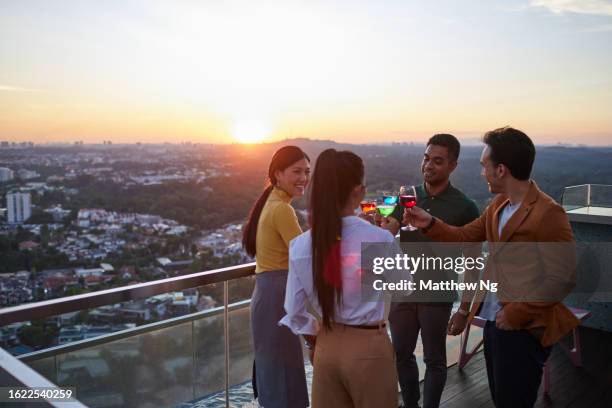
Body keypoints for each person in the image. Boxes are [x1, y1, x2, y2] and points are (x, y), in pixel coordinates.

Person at [404, 127, 578, 408]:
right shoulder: (498, 205)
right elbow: (464, 235)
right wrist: (429, 223)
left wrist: (515, 313)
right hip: (494, 323)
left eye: (485, 166)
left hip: (524, 328)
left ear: (501, 170)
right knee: (502, 399)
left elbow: (563, 278)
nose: (481, 172)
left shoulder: (549, 213)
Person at [280, 149, 408, 408]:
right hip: (369, 348)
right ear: (359, 192)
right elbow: (403, 286)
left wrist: (314, 340)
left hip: (326, 347)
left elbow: (293, 310)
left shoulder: (301, 245)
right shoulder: (378, 239)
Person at [381, 134, 481, 408]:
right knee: (401, 354)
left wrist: (464, 310)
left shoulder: (466, 207)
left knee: (435, 360)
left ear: (453, 166)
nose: (428, 165)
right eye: (426, 158)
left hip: (437, 295)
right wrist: (379, 226)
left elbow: (473, 265)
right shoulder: (407, 196)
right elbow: (388, 232)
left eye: (438, 161)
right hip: (402, 292)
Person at [242, 145, 310, 408]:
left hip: (267, 293)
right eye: (296, 171)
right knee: (283, 372)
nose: (304, 178)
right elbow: (304, 258)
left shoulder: (272, 202)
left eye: (307, 171)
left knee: (276, 369)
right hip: (277, 295)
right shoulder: (282, 208)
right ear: (277, 174)